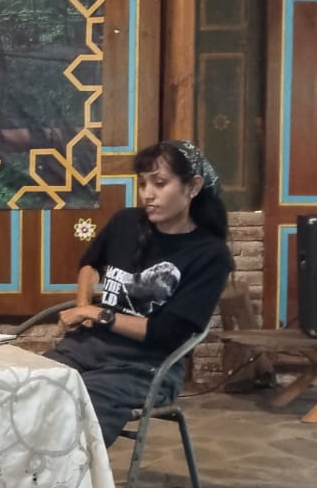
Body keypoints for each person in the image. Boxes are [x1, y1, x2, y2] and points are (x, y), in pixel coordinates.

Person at [47, 140, 233, 446]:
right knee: (26, 388)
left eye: (159, 183)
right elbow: (90, 265)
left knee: (76, 409)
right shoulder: (126, 222)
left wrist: (99, 314)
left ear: (193, 187)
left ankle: (65, 476)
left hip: (147, 367)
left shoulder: (210, 255)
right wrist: (83, 307)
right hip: (84, 349)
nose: (147, 194)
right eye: (143, 183)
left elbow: (168, 333)